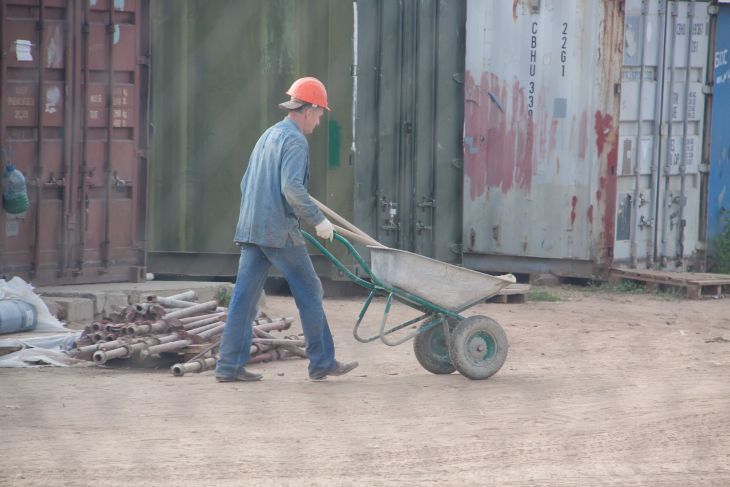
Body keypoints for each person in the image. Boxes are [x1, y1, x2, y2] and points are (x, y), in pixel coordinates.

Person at [215, 76, 359, 382]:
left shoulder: (269, 135)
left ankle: (228, 365)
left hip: (251, 228)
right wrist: (318, 220)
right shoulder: (295, 140)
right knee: (310, 290)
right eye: (319, 115)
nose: (318, 123)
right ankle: (322, 361)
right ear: (308, 110)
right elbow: (292, 189)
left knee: (244, 297)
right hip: (278, 232)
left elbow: (246, 183)